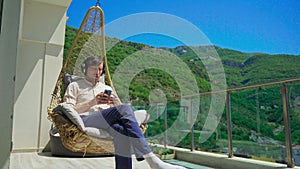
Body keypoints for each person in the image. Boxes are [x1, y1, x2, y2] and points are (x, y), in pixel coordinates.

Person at [64, 56, 186, 169]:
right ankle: (152, 160)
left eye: (100, 69)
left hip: (107, 119)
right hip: (87, 119)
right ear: (85, 69)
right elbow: (69, 110)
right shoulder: (75, 85)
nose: (97, 73)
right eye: (93, 69)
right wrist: (92, 102)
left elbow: (119, 110)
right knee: (125, 107)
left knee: (121, 131)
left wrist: (114, 103)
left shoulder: (106, 88)